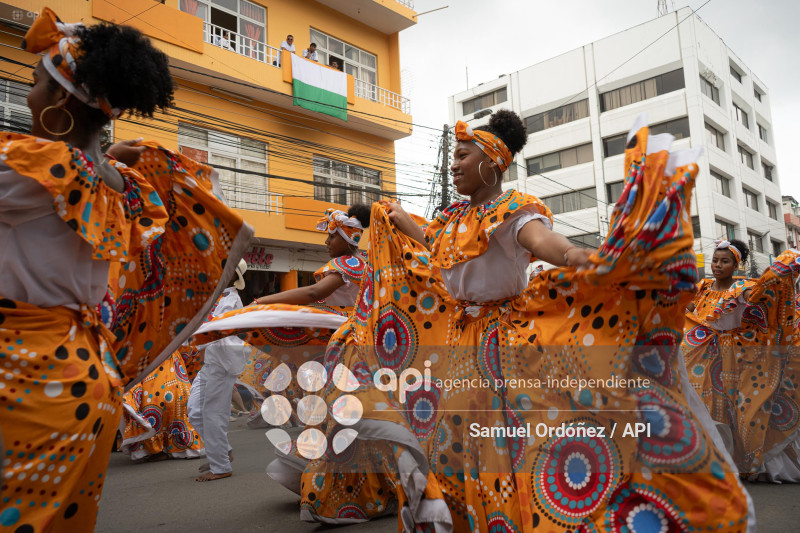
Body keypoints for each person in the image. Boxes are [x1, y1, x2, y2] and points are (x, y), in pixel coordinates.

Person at [291, 111, 753, 530]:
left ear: (493, 161)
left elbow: (545, 242)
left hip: (499, 346)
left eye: (463, 156)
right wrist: (397, 220)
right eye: (453, 157)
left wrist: (579, 257)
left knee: (505, 449)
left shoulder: (514, 210)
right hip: (459, 344)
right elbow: (437, 248)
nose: (453, 165)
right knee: (454, 447)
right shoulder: (454, 218)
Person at [0, 9, 252, 530]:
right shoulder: (119, 184)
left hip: (25, 372)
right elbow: (87, 168)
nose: (27, 96)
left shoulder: (33, 169)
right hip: (83, 373)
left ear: (63, 100)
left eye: (35, 83)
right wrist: (105, 153)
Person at [192, 205, 370, 428]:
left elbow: (313, 292)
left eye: (332, 237)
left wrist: (262, 302)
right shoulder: (365, 263)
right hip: (353, 332)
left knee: (292, 368)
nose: (327, 242)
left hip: (340, 334)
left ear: (348, 239)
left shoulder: (348, 264)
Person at [683, 240, 800, 481]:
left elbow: (757, 299)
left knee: (742, 412)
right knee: (705, 408)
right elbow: (686, 308)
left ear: (736, 265)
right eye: (715, 260)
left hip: (738, 361)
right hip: (703, 358)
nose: (718, 265)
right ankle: (711, 460)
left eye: (725, 261)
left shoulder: (742, 287)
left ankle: (742, 460)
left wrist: (770, 280)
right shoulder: (703, 286)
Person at [188, 260, 249, 482]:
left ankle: (221, 466)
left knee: (213, 413)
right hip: (212, 362)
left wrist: (192, 340)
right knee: (195, 411)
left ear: (232, 274)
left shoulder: (231, 300)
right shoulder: (218, 297)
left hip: (222, 364)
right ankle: (223, 452)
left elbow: (214, 330)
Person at [120, 350, 205, 463]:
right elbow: (188, 351)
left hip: (152, 374)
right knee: (177, 411)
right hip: (174, 374)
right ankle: (183, 446)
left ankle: (155, 449)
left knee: (152, 409)